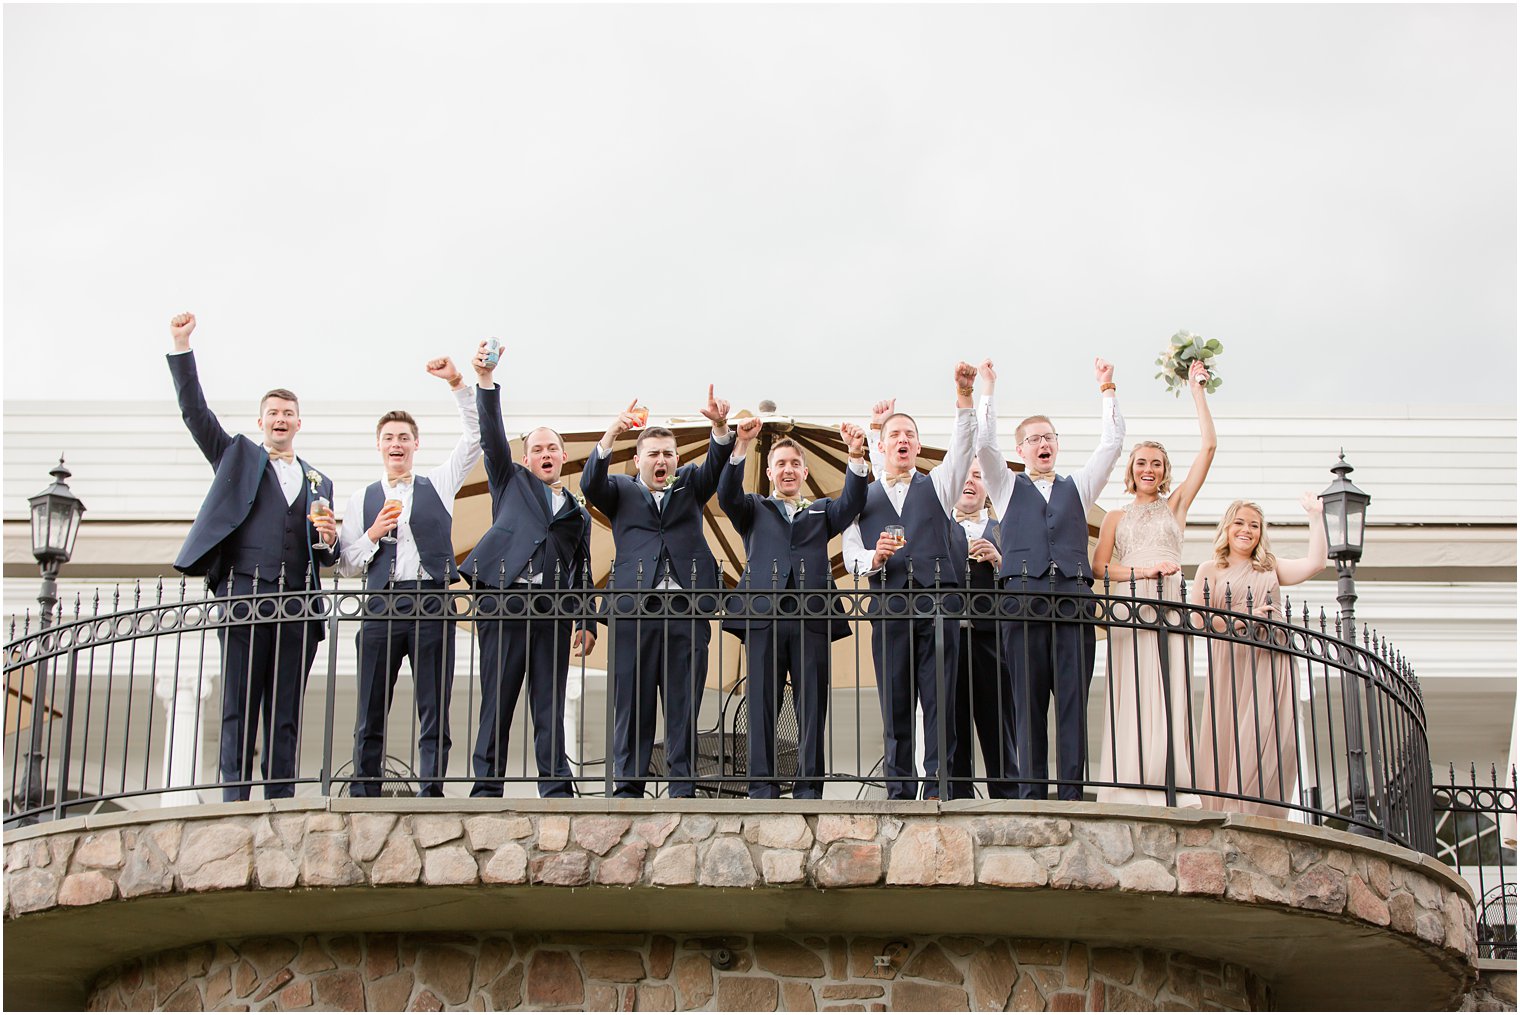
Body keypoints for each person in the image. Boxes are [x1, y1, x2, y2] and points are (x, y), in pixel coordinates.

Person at [165, 311, 338, 801]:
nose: (280, 420)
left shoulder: (318, 480)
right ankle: (234, 801)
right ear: (261, 421)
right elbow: (196, 414)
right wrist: (181, 347)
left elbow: (323, 555)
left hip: (299, 604)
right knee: (239, 704)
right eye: (273, 413)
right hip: (244, 592)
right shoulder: (237, 455)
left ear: (299, 423)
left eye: (288, 414)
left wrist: (326, 539)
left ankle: (280, 800)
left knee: (286, 710)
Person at [335, 355, 483, 797]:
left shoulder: (438, 483)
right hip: (381, 602)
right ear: (378, 446)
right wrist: (373, 535)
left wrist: (458, 383)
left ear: (416, 444)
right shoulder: (362, 497)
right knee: (371, 705)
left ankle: (431, 788)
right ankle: (365, 788)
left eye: (404, 437)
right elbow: (345, 564)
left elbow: (475, 436)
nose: (396, 443)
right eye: (388, 438)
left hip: (432, 599)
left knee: (435, 703)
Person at [978, 357, 1125, 800]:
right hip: (1022, 604)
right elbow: (983, 446)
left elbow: (1112, 445)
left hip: (1073, 601)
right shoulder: (1004, 486)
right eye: (1033, 439)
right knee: (1027, 704)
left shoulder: (1078, 486)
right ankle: (1031, 795)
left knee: (1072, 704)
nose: (1042, 444)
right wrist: (987, 391)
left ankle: (1072, 796)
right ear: (1020, 449)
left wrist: (1107, 390)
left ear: (1056, 445)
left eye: (1048, 437)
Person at [459, 341, 596, 798]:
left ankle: (556, 786)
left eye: (553, 448)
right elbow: (492, 435)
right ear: (526, 458)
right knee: (498, 698)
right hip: (505, 599)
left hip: (554, 610)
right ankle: (486, 787)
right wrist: (484, 381)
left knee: (549, 703)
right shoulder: (509, 480)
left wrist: (587, 619)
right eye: (537, 448)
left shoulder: (578, 511)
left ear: (562, 457)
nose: (545, 453)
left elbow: (583, 568)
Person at [581, 388, 733, 798]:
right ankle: (628, 786)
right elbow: (590, 483)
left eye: (668, 453)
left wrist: (720, 426)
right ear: (638, 460)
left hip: (687, 610)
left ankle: (681, 786)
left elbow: (717, 461)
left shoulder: (691, 488)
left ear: (677, 459)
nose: (661, 460)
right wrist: (612, 431)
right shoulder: (620, 490)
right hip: (634, 611)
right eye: (653, 454)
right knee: (632, 703)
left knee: (683, 704)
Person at [842, 363, 978, 800]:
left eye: (910, 435)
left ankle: (939, 787)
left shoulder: (939, 485)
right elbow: (851, 559)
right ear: (881, 445)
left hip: (938, 607)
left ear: (919, 445)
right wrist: (874, 558)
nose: (903, 440)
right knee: (895, 705)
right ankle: (899, 790)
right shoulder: (859, 498)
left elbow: (963, 447)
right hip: (890, 609)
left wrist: (963, 396)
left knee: (940, 702)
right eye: (894, 435)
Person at [717, 417, 869, 799]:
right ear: (769, 473)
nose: (787, 470)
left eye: (793, 464)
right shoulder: (753, 508)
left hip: (811, 617)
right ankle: (761, 786)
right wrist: (740, 447)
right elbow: (725, 496)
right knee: (762, 703)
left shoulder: (821, 512)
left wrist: (855, 456)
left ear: (803, 472)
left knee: (812, 705)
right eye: (780, 464)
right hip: (764, 618)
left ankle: (808, 787)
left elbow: (854, 501)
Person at [1091, 360, 1216, 807]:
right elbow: (1100, 569)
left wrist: (1196, 390)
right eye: (1142, 462)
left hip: (1170, 603)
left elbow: (1209, 449)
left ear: (1164, 472)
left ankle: (1172, 782)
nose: (1149, 469)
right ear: (1132, 470)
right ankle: (1129, 780)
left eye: (1157, 464)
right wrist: (1142, 572)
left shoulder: (1175, 507)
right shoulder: (1115, 517)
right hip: (1131, 604)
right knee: (1132, 688)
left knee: (1171, 687)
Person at [1189, 495, 1327, 818]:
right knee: (1231, 736)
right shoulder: (1209, 569)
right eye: (1239, 522)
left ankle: (1259, 811)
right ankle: (1227, 809)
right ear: (1227, 528)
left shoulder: (1270, 567)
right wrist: (1244, 617)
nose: (1246, 530)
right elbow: (1198, 619)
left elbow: (1316, 563)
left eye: (1254, 525)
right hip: (1231, 662)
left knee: (1274, 738)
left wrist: (1316, 517)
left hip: (1271, 661)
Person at [943, 360, 1017, 799]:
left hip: (993, 640)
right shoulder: (938, 524)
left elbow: (1021, 577)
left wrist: (1001, 560)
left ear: (988, 486)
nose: (971, 483)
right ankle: (957, 799)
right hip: (950, 636)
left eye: (978, 476)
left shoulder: (1004, 528)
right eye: (965, 476)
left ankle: (1006, 798)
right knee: (951, 721)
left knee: (996, 723)